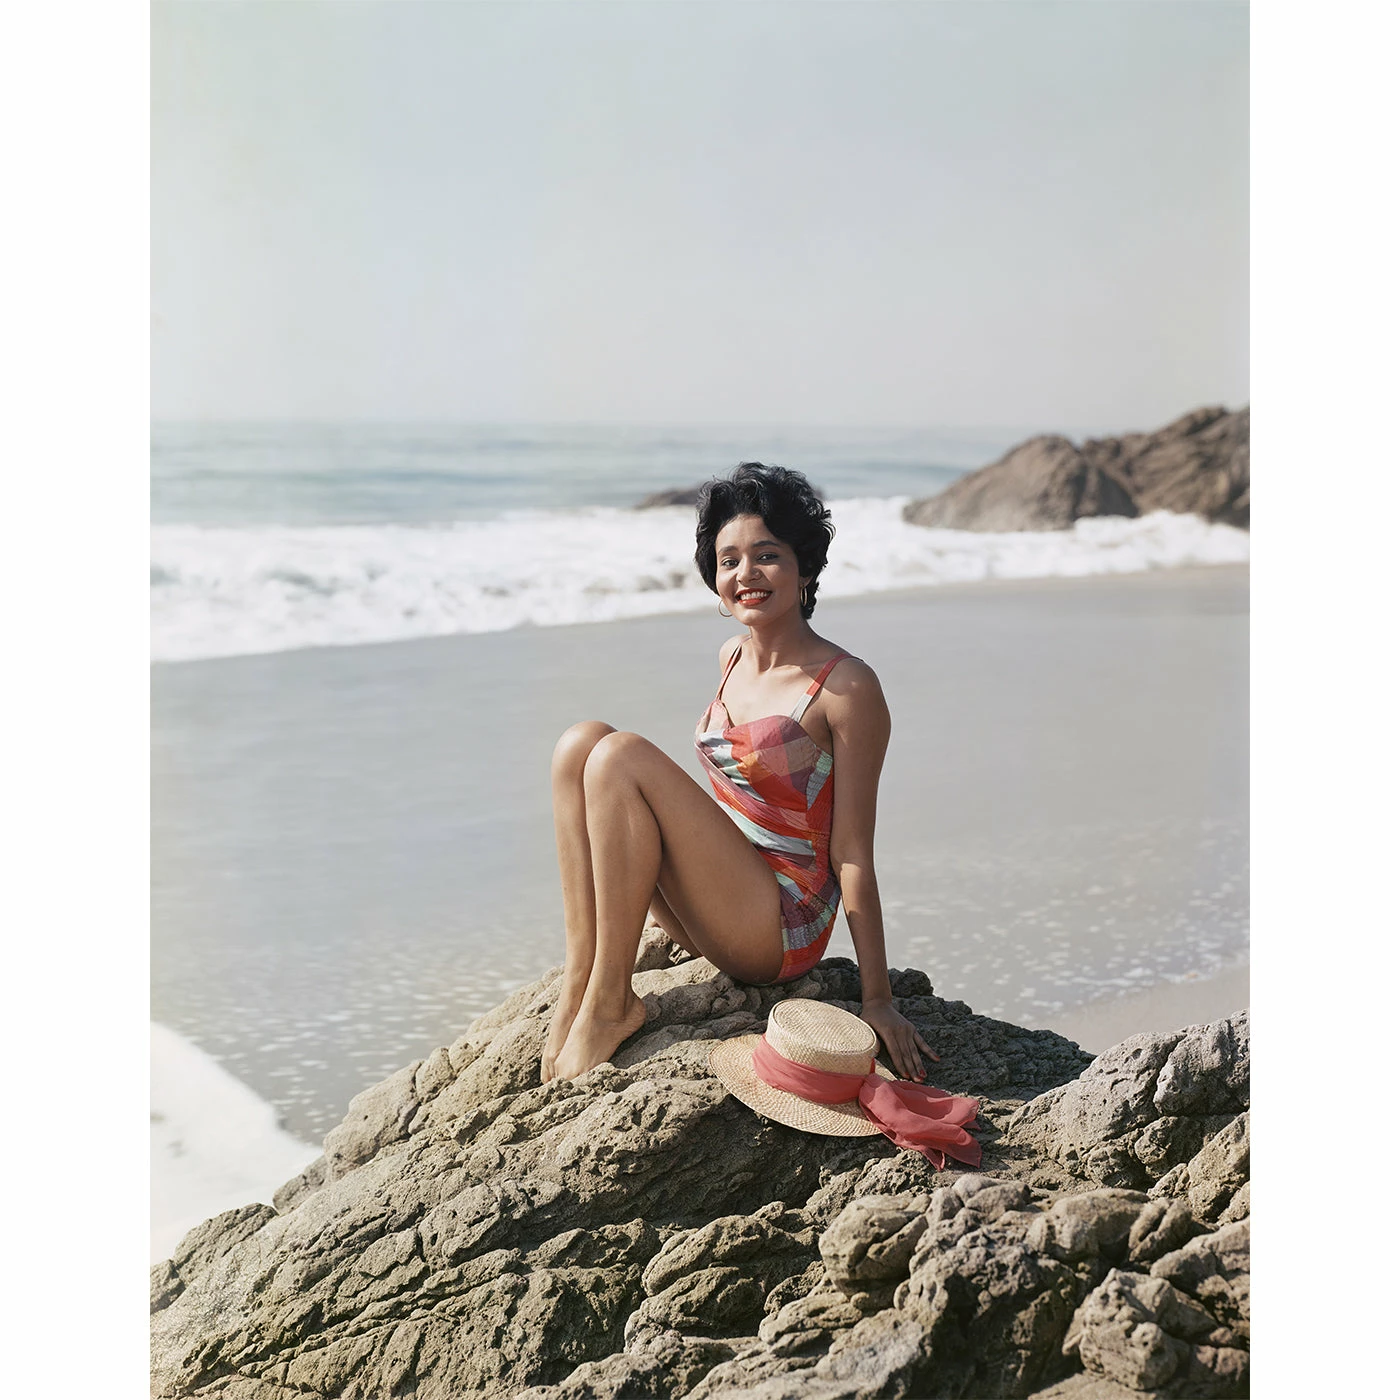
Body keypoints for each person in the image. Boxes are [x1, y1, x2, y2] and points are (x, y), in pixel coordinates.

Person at [543, 462, 935, 1084]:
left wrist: (878, 999)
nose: (745, 575)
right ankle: (582, 982)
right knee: (580, 744)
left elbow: (854, 852)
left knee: (620, 755)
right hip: (722, 897)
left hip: (779, 925)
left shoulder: (846, 688)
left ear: (804, 567)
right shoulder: (730, 657)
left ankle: (612, 1003)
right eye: (728, 560)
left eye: (767, 556)